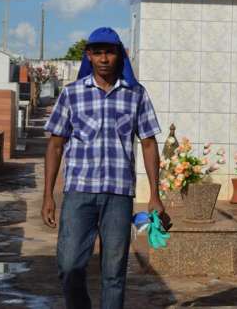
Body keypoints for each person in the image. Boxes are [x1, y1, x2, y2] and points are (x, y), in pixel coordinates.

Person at [42, 27, 169, 309]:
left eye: (109, 52)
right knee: (69, 265)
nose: (103, 59)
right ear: (88, 56)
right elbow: (55, 145)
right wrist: (48, 195)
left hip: (119, 195)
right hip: (79, 193)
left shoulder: (136, 94)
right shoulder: (72, 93)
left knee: (114, 272)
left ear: (119, 55)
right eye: (97, 53)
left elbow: (149, 144)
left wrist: (155, 195)